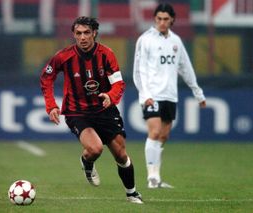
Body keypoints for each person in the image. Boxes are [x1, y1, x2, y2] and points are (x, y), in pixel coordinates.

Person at [40, 16, 143, 204]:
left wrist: (111, 96)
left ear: (94, 33)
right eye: (78, 33)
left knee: (120, 154)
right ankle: (87, 163)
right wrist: (51, 105)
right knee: (95, 149)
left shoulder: (106, 54)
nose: (82, 37)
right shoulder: (63, 56)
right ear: (74, 35)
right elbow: (46, 78)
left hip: (104, 109)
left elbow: (119, 83)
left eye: (87, 33)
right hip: (77, 112)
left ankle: (132, 193)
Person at [133, 3, 206, 189]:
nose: (162, 22)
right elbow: (138, 70)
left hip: (170, 95)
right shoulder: (145, 40)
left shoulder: (176, 41)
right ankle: (152, 176)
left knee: (164, 135)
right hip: (152, 94)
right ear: (154, 19)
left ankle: (156, 177)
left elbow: (186, 68)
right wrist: (145, 94)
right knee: (155, 132)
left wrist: (198, 92)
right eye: (159, 19)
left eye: (166, 19)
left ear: (172, 20)